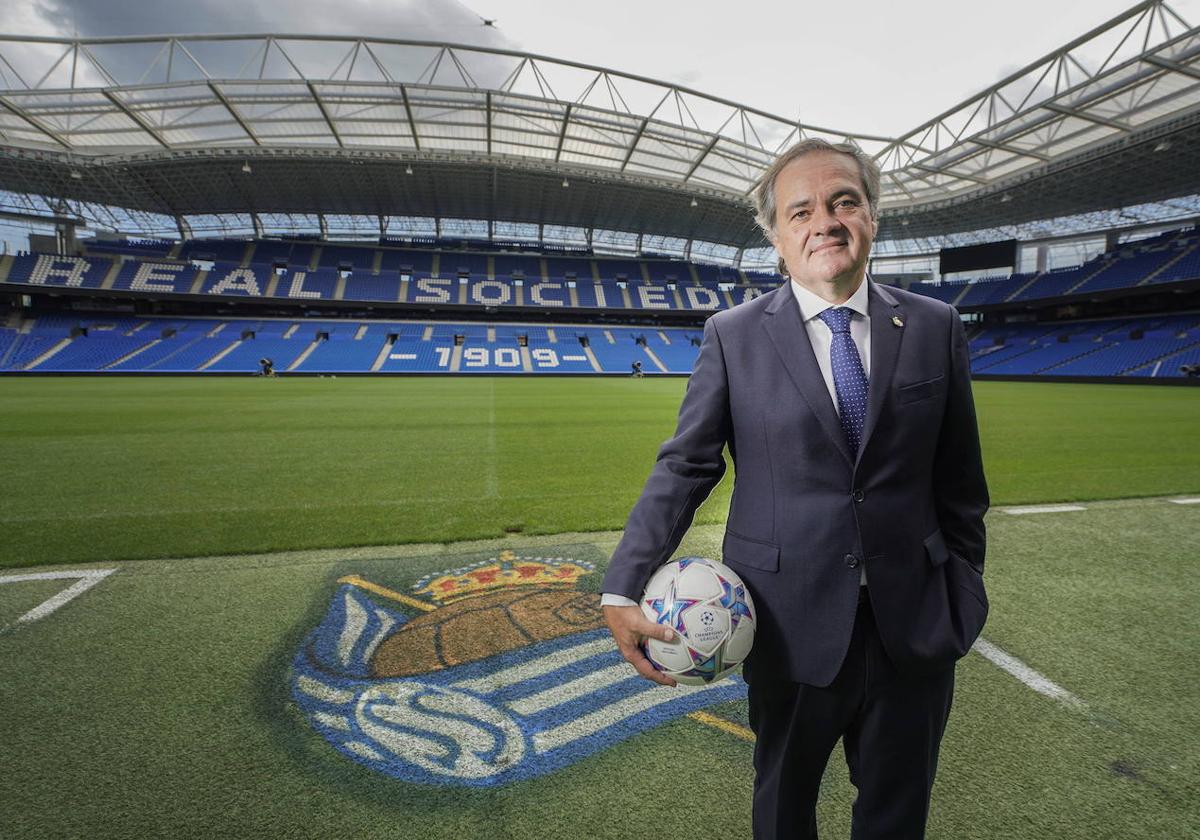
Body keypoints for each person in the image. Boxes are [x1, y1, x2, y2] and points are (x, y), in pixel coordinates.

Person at [600, 138, 989, 840]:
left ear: (872, 216)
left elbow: (961, 483)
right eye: (801, 210)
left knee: (897, 820)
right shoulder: (734, 335)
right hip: (787, 628)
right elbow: (687, 465)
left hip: (915, 627)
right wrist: (622, 587)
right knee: (783, 814)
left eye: (844, 201)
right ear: (777, 236)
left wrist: (961, 589)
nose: (825, 222)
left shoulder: (936, 326)